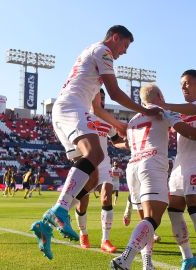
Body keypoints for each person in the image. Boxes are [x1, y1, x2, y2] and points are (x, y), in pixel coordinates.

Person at [30, 25, 162, 260]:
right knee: (95, 154)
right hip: (70, 108)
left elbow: (98, 108)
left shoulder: (92, 58)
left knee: (91, 177)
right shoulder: (103, 52)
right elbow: (114, 93)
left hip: (67, 110)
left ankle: (46, 226)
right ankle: (59, 211)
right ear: (115, 38)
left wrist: (118, 125)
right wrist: (144, 110)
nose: (125, 51)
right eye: (125, 45)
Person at [111, 83, 196, 270]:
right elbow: (189, 132)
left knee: (159, 216)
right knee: (152, 219)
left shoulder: (134, 120)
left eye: (186, 83)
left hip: (134, 168)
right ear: (160, 96)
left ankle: (153, 263)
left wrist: (112, 135)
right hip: (153, 164)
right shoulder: (164, 112)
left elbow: (125, 144)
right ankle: (126, 259)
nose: (182, 87)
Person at [156, 69, 196, 269]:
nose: (183, 86)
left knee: (194, 208)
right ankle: (188, 257)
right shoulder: (178, 111)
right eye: (181, 83)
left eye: (187, 83)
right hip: (179, 164)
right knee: (174, 211)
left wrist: (164, 105)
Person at [73, 89, 126, 253]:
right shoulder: (80, 116)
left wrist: (128, 144)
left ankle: (106, 240)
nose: (101, 100)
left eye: (103, 98)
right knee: (83, 202)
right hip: (86, 162)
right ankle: (83, 233)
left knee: (106, 197)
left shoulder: (106, 119)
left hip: (104, 163)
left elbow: (116, 141)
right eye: (99, 97)